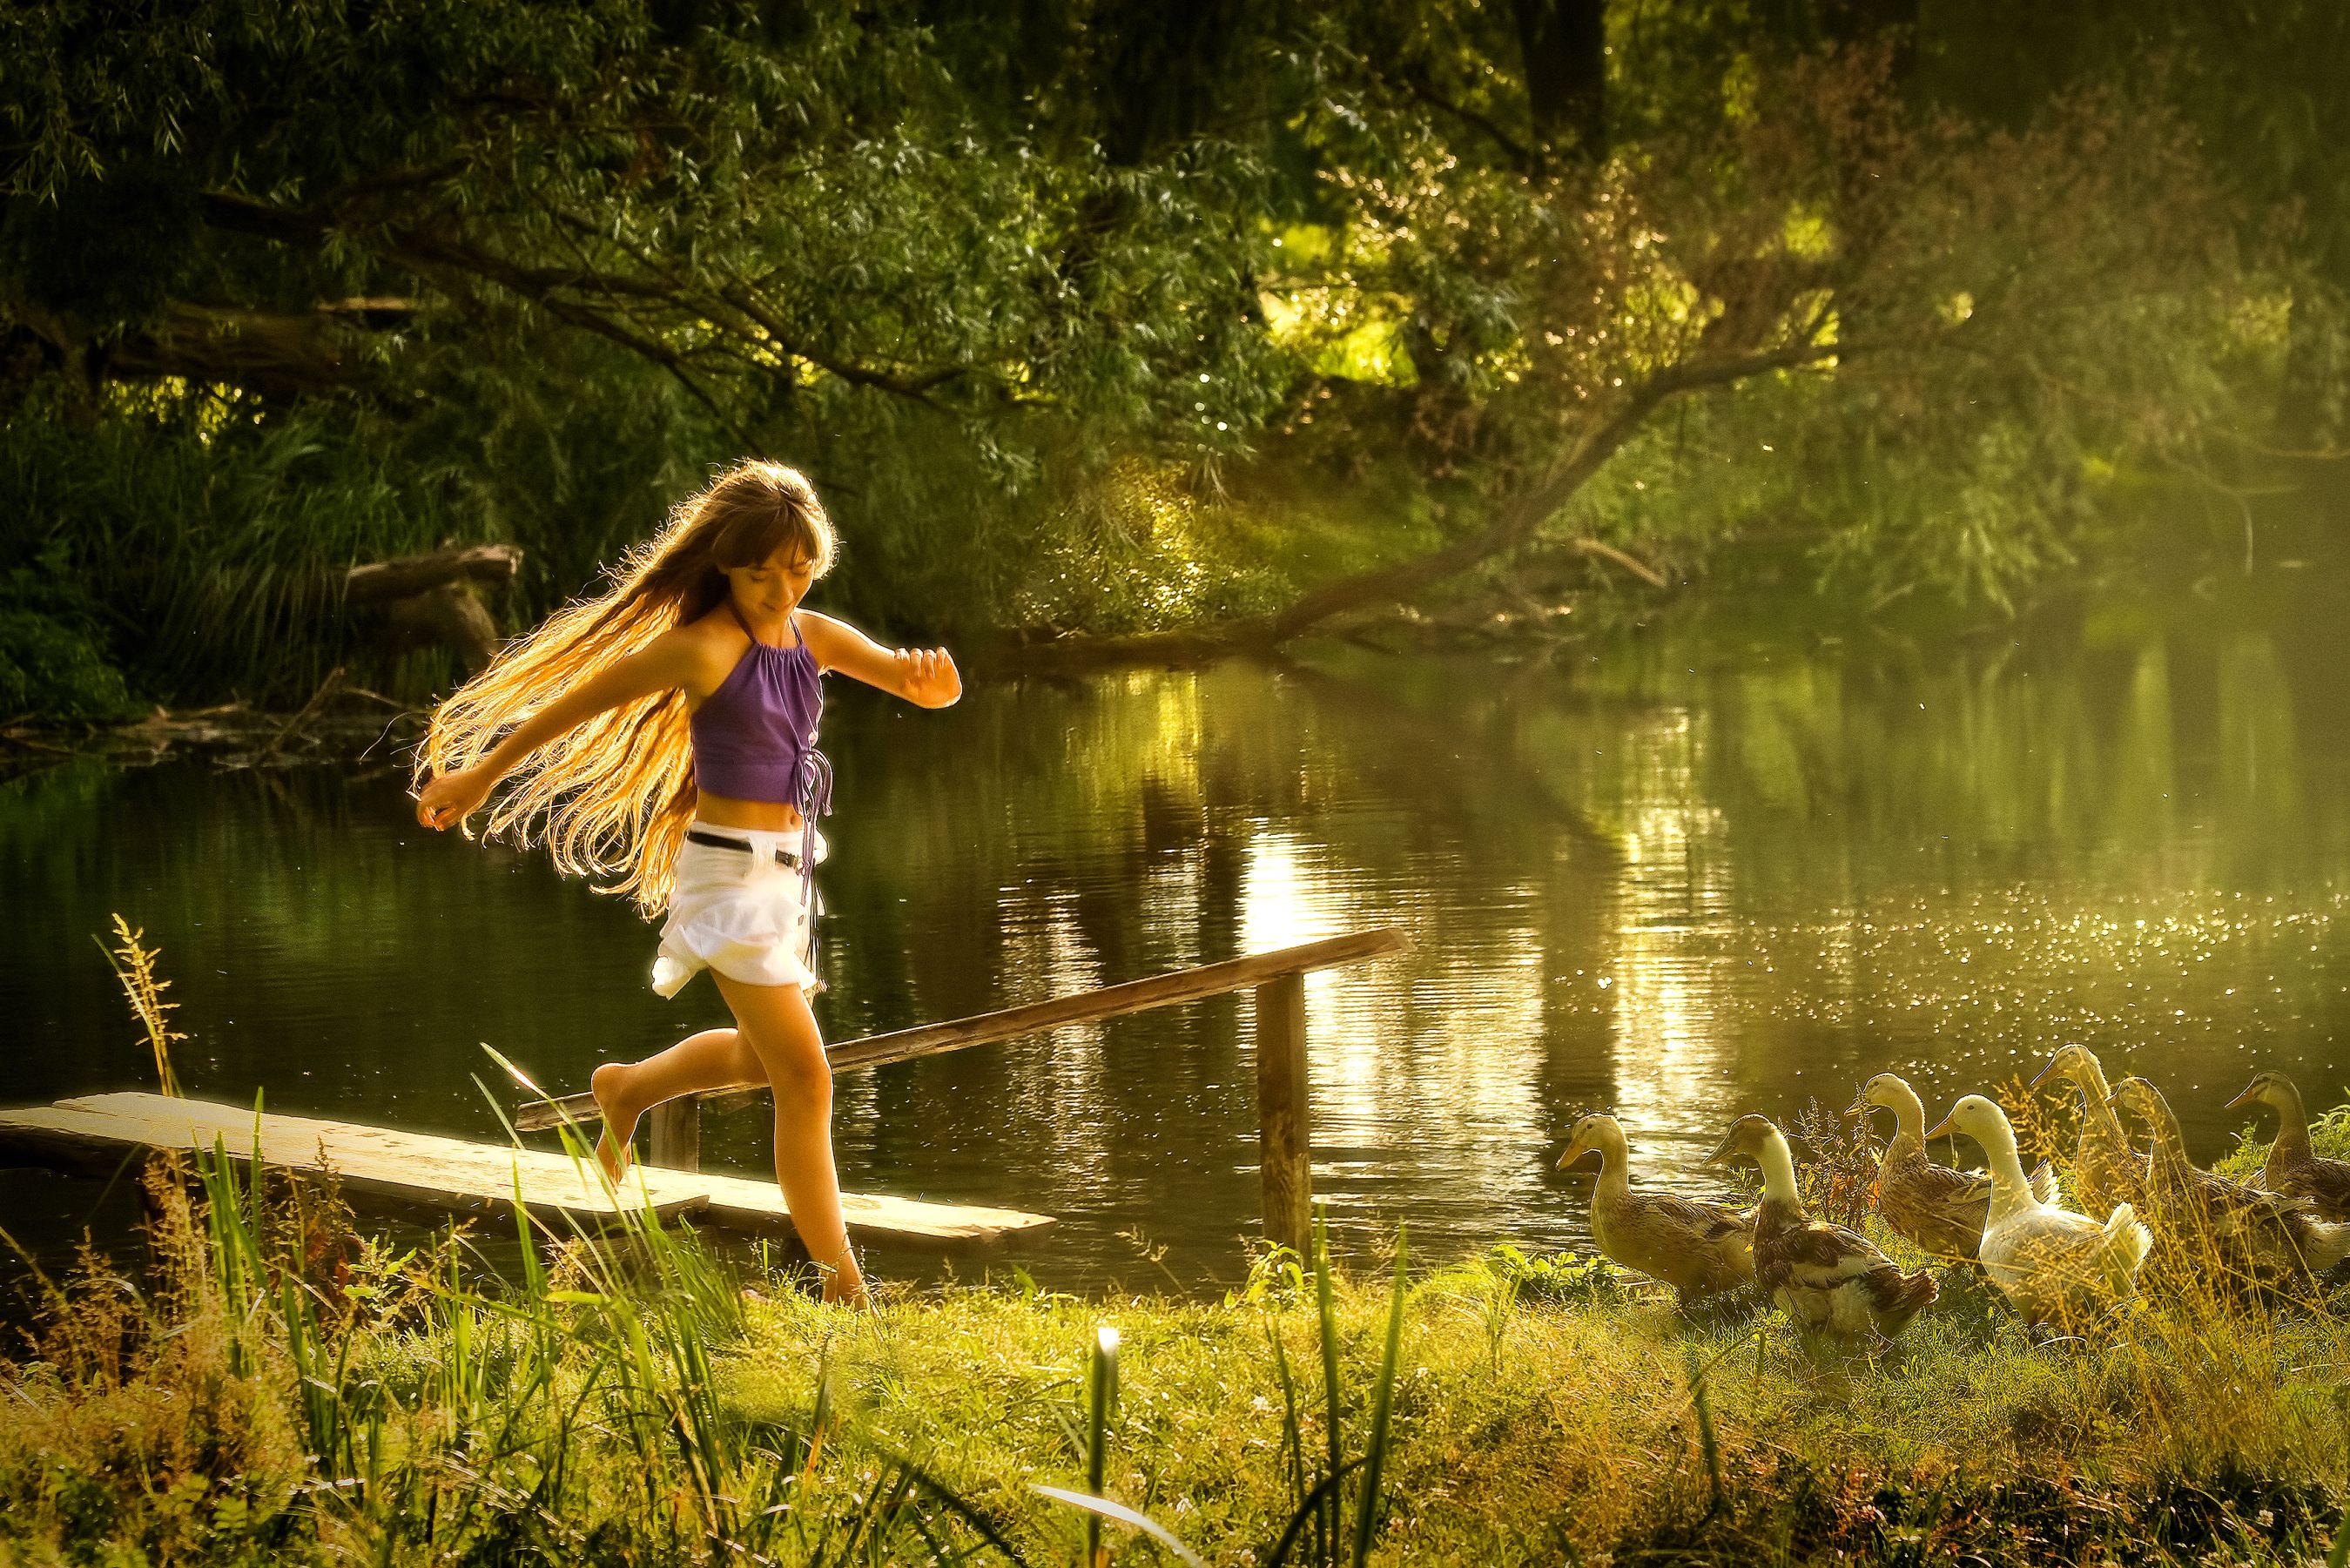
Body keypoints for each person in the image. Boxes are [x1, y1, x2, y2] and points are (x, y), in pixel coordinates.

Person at [412, 460, 960, 1303]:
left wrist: (933, 686)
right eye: (758, 573)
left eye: (798, 568)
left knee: (756, 1060)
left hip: (788, 878)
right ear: (722, 567)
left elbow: (905, 678)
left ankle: (625, 1087)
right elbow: (577, 703)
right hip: (727, 881)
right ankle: (844, 1288)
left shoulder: (811, 638)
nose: (781, 588)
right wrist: (479, 776)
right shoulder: (700, 647)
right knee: (805, 1080)